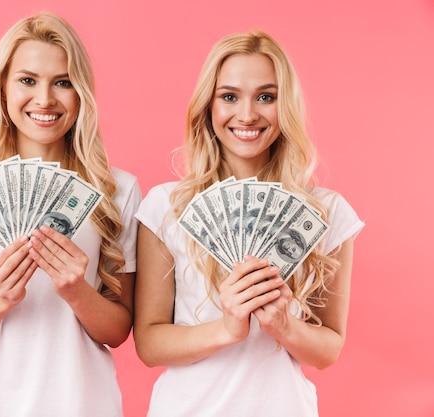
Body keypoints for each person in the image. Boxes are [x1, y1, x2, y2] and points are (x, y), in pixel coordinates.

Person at [0, 12, 141, 417]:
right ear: (2, 88)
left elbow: (119, 330)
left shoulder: (117, 191)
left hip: (84, 404)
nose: (45, 99)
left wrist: (77, 292)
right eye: (28, 80)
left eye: (63, 82)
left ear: (81, 92)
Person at [133, 30, 364, 417]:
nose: (246, 115)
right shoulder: (167, 206)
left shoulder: (327, 213)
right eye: (229, 97)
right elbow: (150, 343)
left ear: (285, 105)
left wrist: (285, 328)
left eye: (265, 97)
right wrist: (227, 328)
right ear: (209, 106)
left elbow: (329, 350)